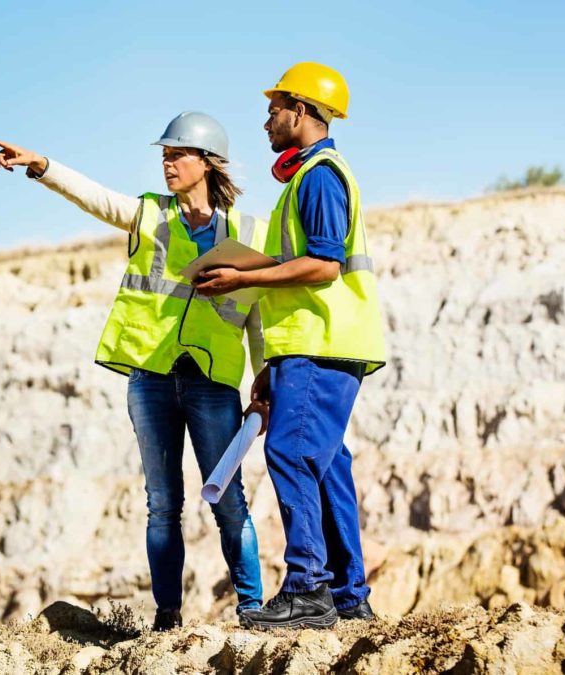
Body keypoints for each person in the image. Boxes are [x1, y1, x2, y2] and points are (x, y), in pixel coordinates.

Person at [0, 112, 268, 630]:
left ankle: (251, 608)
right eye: (164, 155)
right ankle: (168, 616)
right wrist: (43, 166)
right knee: (162, 505)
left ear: (207, 164)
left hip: (214, 383)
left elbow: (257, 311)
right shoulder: (150, 215)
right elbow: (94, 197)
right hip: (151, 376)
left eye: (177, 154)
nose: (167, 163)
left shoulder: (251, 231)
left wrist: (265, 373)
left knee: (229, 501)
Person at [194, 63, 387, 629]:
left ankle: (307, 588)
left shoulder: (321, 176)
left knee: (291, 455)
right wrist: (272, 363)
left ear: (301, 111)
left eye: (274, 109)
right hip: (309, 347)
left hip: (320, 345)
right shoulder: (310, 177)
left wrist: (243, 278)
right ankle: (348, 597)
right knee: (326, 468)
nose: (267, 120)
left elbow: (325, 264)